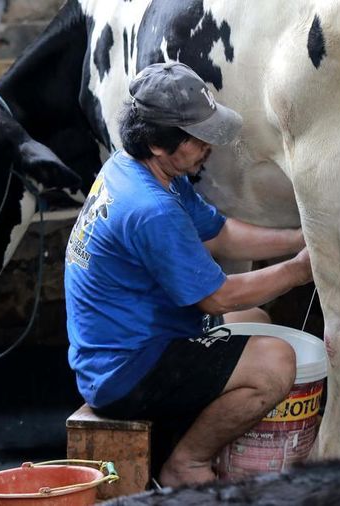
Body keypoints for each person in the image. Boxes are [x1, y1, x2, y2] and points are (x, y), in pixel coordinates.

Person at [64, 62, 312, 487]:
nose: (208, 146)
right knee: (275, 362)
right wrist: (299, 271)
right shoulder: (150, 208)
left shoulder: (135, 167)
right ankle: (187, 463)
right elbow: (216, 297)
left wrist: (303, 237)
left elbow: (222, 235)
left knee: (259, 320)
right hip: (126, 371)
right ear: (159, 144)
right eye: (198, 137)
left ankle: (189, 428)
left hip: (129, 340)